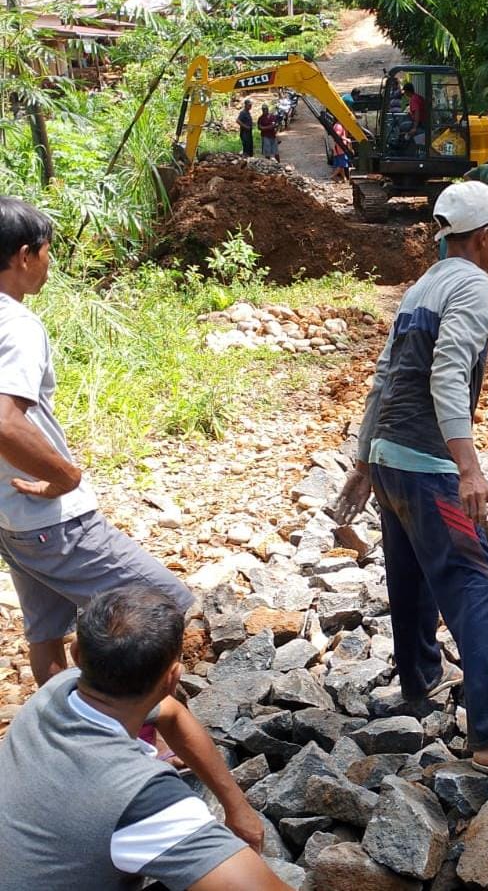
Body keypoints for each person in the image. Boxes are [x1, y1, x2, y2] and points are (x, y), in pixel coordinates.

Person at [333, 182, 488, 779]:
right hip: (428, 464)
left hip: (389, 459)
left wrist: (364, 462)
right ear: (484, 234)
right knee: (477, 579)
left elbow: (385, 377)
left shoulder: (422, 286)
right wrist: (469, 466)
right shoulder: (473, 284)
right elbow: (448, 372)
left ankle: (420, 684)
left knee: (411, 573)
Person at [0, 197, 194, 686]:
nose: (49, 263)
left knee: (47, 632)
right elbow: (3, 421)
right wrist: (65, 475)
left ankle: (70, 743)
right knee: (165, 605)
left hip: (11, 520)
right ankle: (147, 740)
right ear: (24, 256)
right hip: (51, 519)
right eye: (47, 251)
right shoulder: (17, 325)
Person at [0, 586, 293, 891]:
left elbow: (171, 713)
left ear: (75, 655)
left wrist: (237, 807)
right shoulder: (141, 797)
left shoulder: (56, 691)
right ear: (173, 678)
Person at [403, 81, 427, 152]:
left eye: (405, 92)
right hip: (423, 122)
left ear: (407, 91)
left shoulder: (413, 99)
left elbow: (417, 112)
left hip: (420, 123)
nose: (404, 94)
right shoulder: (418, 97)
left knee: (403, 126)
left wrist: (414, 128)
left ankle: (409, 149)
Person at [330, 119, 352, 184]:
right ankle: (333, 176)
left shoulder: (337, 125)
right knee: (342, 164)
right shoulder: (339, 126)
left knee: (341, 164)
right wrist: (346, 139)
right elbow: (337, 136)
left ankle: (344, 178)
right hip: (340, 149)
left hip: (339, 148)